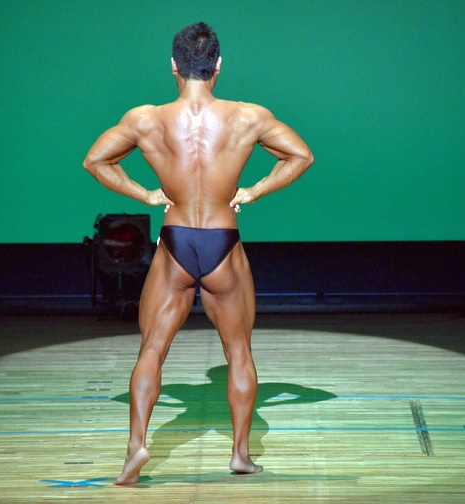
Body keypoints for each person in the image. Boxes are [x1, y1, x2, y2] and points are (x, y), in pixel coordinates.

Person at [83, 22, 313, 486]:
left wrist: (146, 195)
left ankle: (136, 447)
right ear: (218, 66)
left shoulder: (146, 120)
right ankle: (240, 455)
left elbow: (95, 161)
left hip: (175, 241)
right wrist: (254, 190)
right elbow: (300, 156)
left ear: (174, 65)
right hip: (223, 241)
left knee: (152, 348)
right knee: (239, 352)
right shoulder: (247, 117)